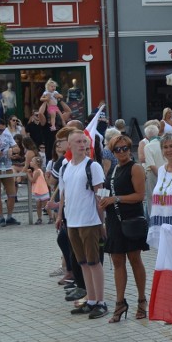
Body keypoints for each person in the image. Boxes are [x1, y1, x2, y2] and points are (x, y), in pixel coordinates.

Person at [57, 130, 108, 319]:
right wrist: (61, 215)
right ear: (69, 145)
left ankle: (101, 302)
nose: (82, 144)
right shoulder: (66, 167)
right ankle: (91, 299)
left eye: (84, 141)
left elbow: (100, 193)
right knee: (83, 263)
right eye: (78, 141)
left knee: (94, 262)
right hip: (73, 222)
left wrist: (102, 222)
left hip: (90, 221)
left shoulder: (92, 166)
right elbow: (65, 194)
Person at [98, 134, 148, 323]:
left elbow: (140, 195)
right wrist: (103, 199)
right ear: (112, 152)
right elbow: (109, 191)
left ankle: (142, 300)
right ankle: (120, 302)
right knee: (118, 261)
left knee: (135, 259)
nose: (122, 152)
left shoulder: (134, 168)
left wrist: (115, 199)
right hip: (113, 220)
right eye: (117, 149)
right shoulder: (113, 168)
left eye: (125, 148)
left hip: (130, 219)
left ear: (130, 148)